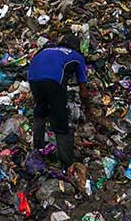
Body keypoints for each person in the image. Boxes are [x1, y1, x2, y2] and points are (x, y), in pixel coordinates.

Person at [28, 34, 96, 167]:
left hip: (33, 78)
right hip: (53, 81)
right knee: (61, 120)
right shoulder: (77, 56)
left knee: (40, 111)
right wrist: (88, 109)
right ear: (77, 47)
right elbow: (83, 91)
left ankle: (38, 150)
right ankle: (67, 163)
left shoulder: (47, 49)